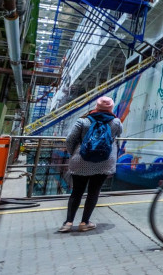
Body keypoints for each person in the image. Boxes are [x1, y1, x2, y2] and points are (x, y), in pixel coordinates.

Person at [59, 96, 122, 232]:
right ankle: (84, 223)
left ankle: (68, 223)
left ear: (96, 106)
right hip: (104, 161)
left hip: (81, 160)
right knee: (94, 192)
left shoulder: (83, 121)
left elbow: (70, 140)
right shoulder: (116, 122)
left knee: (76, 192)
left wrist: (74, 153)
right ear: (111, 108)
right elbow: (117, 135)